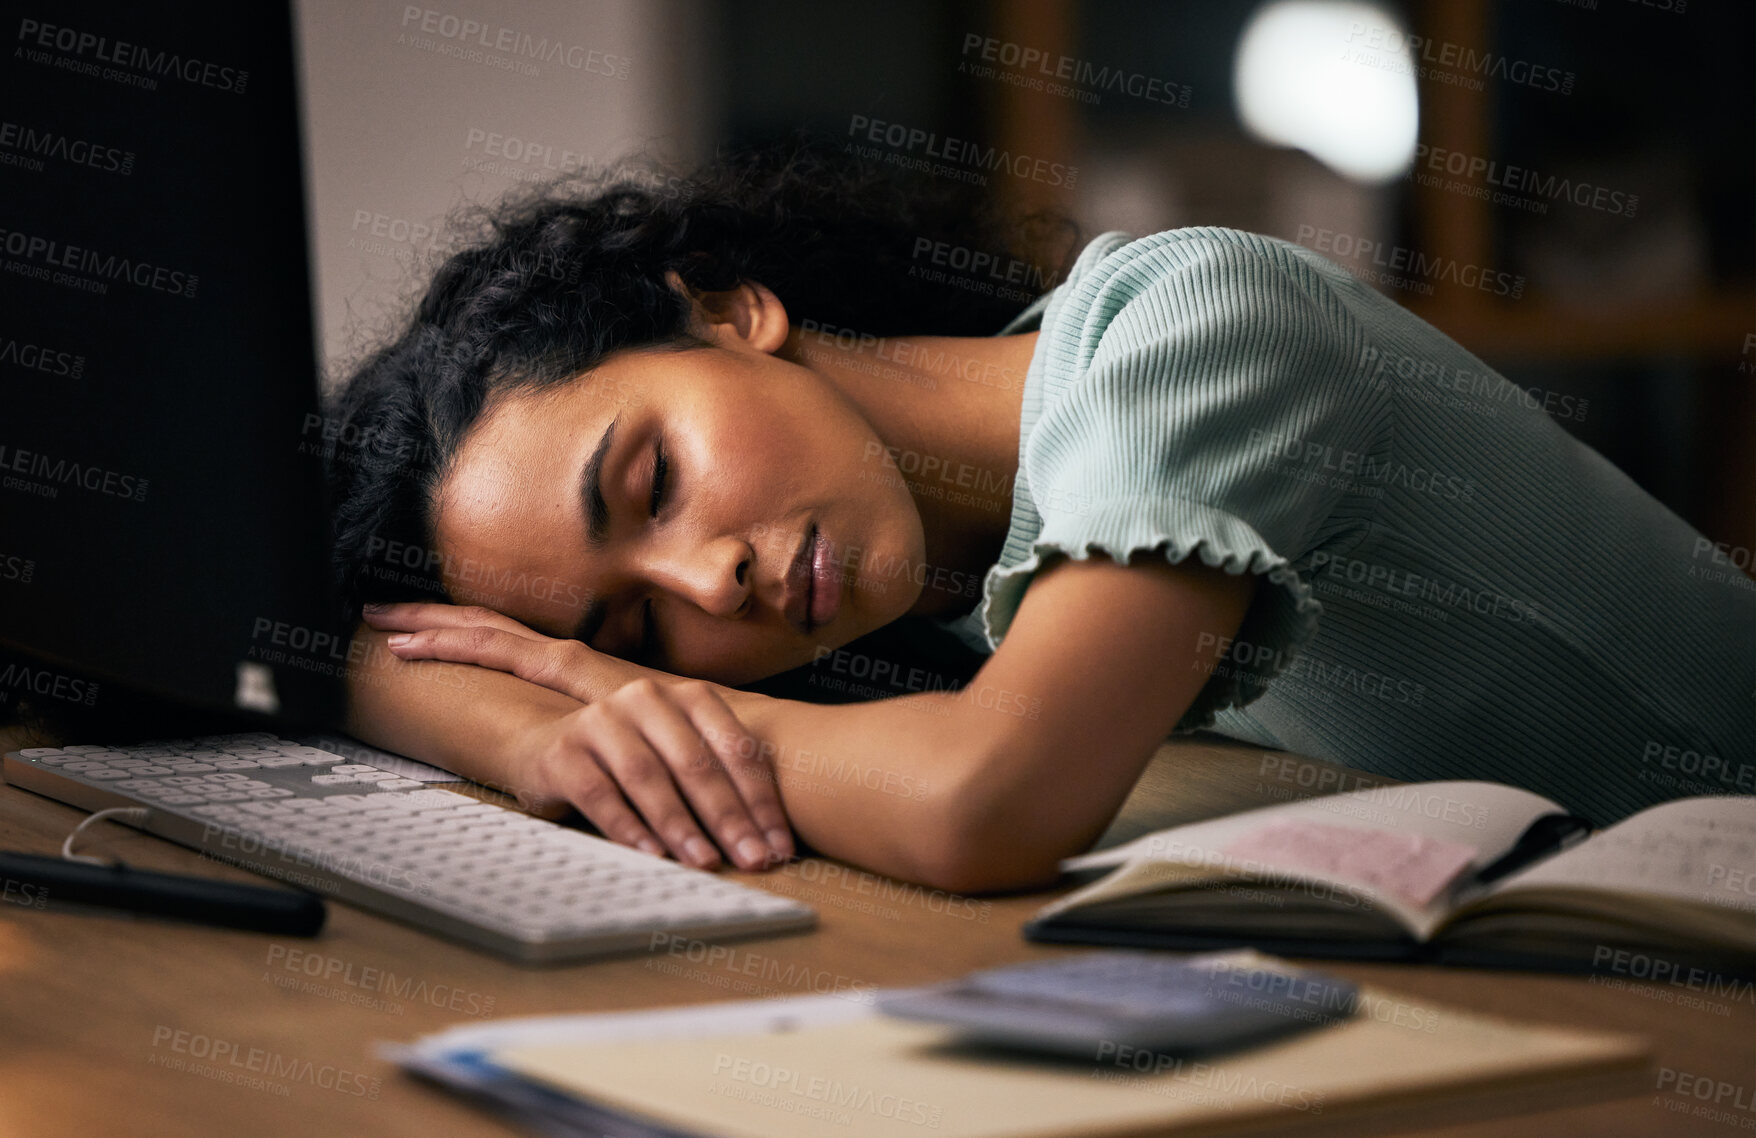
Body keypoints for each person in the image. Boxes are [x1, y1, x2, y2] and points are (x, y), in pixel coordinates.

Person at [325, 140, 1755, 893]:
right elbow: (370, 651)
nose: (711, 586)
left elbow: (981, 802)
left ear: (727, 307)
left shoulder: (1191, 333)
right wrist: (507, 709)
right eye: (634, 621)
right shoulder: (942, 603)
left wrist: (593, 700)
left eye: (653, 482)